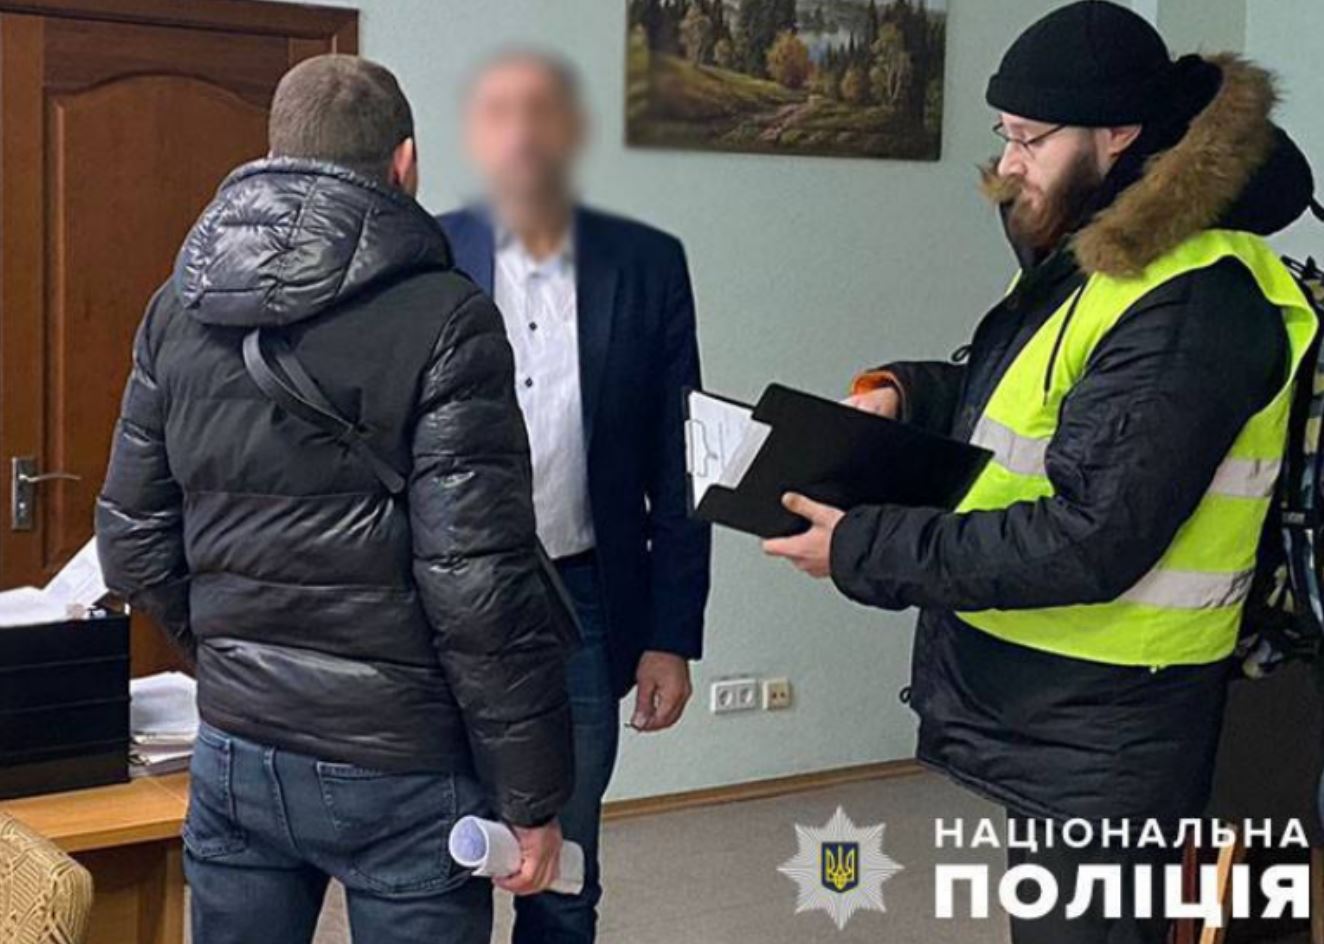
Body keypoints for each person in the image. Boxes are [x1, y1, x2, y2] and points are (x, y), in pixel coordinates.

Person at [764, 3, 1318, 942]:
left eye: (1031, 138)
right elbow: (1038, 403)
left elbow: (1091, 535)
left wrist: (864, 546)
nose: (1009, 163)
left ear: (1118, 134)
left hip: (1115, 718)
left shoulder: (1193, 299)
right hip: (1062, 706)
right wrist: (907, 393)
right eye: (1004, 135)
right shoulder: (1101, 261)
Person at [95, 54, 574, 944]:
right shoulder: (449, 318)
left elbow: (130, 542)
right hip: (404, 762)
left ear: (276, 151)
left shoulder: (177, 309)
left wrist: (235, 653)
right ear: (405, 162)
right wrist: (534, 798)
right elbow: (478, 586)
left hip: (237, 745)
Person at [438, 49, 711, 944]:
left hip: (584, 598)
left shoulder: (649, 264)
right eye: (499, 114)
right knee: (441, 862)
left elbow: (681, 458)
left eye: (542, 112)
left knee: (563, 865)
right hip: (443, 601)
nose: (522, 134)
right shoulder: (428, 253)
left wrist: (671, 634)